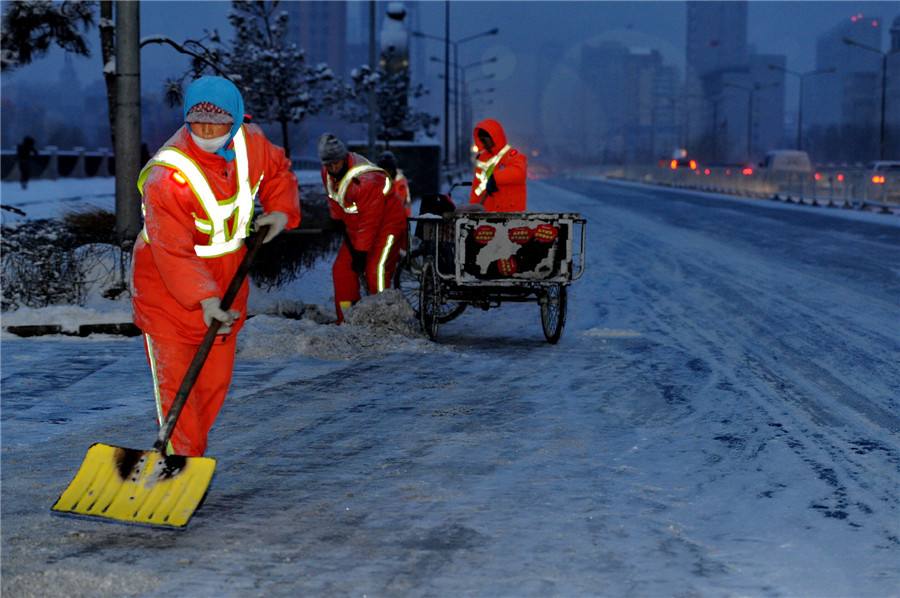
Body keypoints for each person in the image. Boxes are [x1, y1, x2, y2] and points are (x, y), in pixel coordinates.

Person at [131, 76, 301, 457]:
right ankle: (179, 463)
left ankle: (187, 455)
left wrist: (279, 210)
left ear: (237, 120)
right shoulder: (167, 177)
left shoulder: (250, 142)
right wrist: (204, 298)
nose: (207, 132)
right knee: (178, 386)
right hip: (166, 287)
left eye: (217, 124)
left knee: (212, 385)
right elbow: (173, 251)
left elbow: (277, 171)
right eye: (198, 124)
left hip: (227, 278)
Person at [319, 134, 406, 323]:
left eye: (336, 163)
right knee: (342, 271)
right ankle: (348, 318)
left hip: (387, 223)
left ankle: (385, 319)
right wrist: (337, 219)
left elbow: (370, 221)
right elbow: (333, 197)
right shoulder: (326, 172)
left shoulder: (365, 180)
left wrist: (361, 252)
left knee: (376, 270)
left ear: (344, 158)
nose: (333, 168)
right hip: (355, 228)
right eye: (328, 164)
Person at [469, 118, 527, 212]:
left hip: (511, 214)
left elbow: (519, 172)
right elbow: (477, 188)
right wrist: (472, 209)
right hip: (487, 214)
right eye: (481, 140)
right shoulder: (482, 159)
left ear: (494, 137)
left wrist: (495, 178)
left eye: (485, 139)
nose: (483, 143)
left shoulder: (512, 155)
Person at [377, 151, 412, 217]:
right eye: (384, 170)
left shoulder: (401, 183)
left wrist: (405, 220)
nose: (387, 173)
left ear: (393, 170)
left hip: (396, 219)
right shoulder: (374, 182)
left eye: (389, 170)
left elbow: (406, 204)